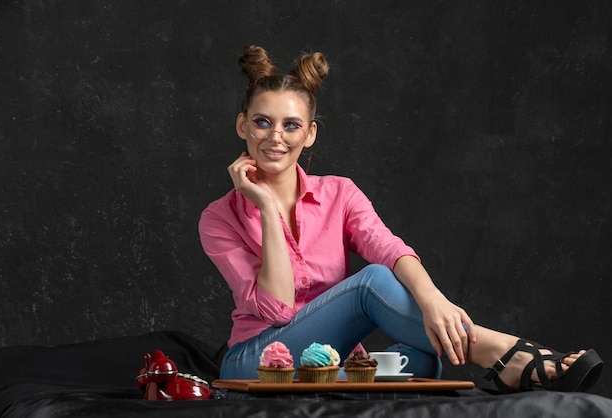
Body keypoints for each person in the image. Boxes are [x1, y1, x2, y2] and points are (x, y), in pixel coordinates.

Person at [198, 45, 603, 393]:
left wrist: (436, 303)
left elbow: (389, 248)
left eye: (292, 126)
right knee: (370, 283)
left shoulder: (340, 192)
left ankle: (341, 380)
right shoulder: (218, 218)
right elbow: (280, 310)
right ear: (242, 125)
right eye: (262, 122)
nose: (276, 137)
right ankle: (502, 354)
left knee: (425, 357)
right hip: (260, 362)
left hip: (329, 359)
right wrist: (266, 207)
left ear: (311, 135)